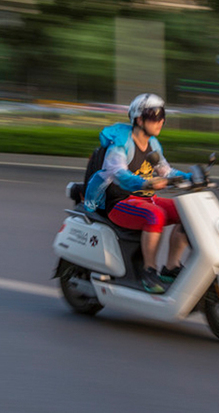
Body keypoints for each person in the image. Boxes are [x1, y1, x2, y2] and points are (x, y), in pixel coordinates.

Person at [83, 93, 191, 293]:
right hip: (119, 202)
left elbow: (165, 170)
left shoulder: (153, 144)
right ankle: (148, 272)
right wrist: (146, 182)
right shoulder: (122, 144)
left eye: (162, 115)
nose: (161, 120)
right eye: (154, 115)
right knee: (155, 215)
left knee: (188, 213)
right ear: (139, 119)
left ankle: (171, 267)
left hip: (145, 199)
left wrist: (190, 177)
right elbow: (118, 173)